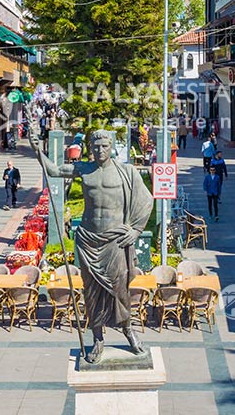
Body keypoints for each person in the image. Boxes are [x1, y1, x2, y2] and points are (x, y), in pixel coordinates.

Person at [37, 129, 153, 363]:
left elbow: (146, 199)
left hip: (115, 240)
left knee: (120, 289)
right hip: (89, 240)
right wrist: (37, 148)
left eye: (104, 146)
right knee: (91, 293)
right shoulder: (84, 170)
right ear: (90, 147)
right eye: (96, 146)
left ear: (111, 147)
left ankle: (128, 331)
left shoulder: (126, 172)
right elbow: (53, 170)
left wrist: (136, 230)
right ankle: (98, 338)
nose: (100, 150)